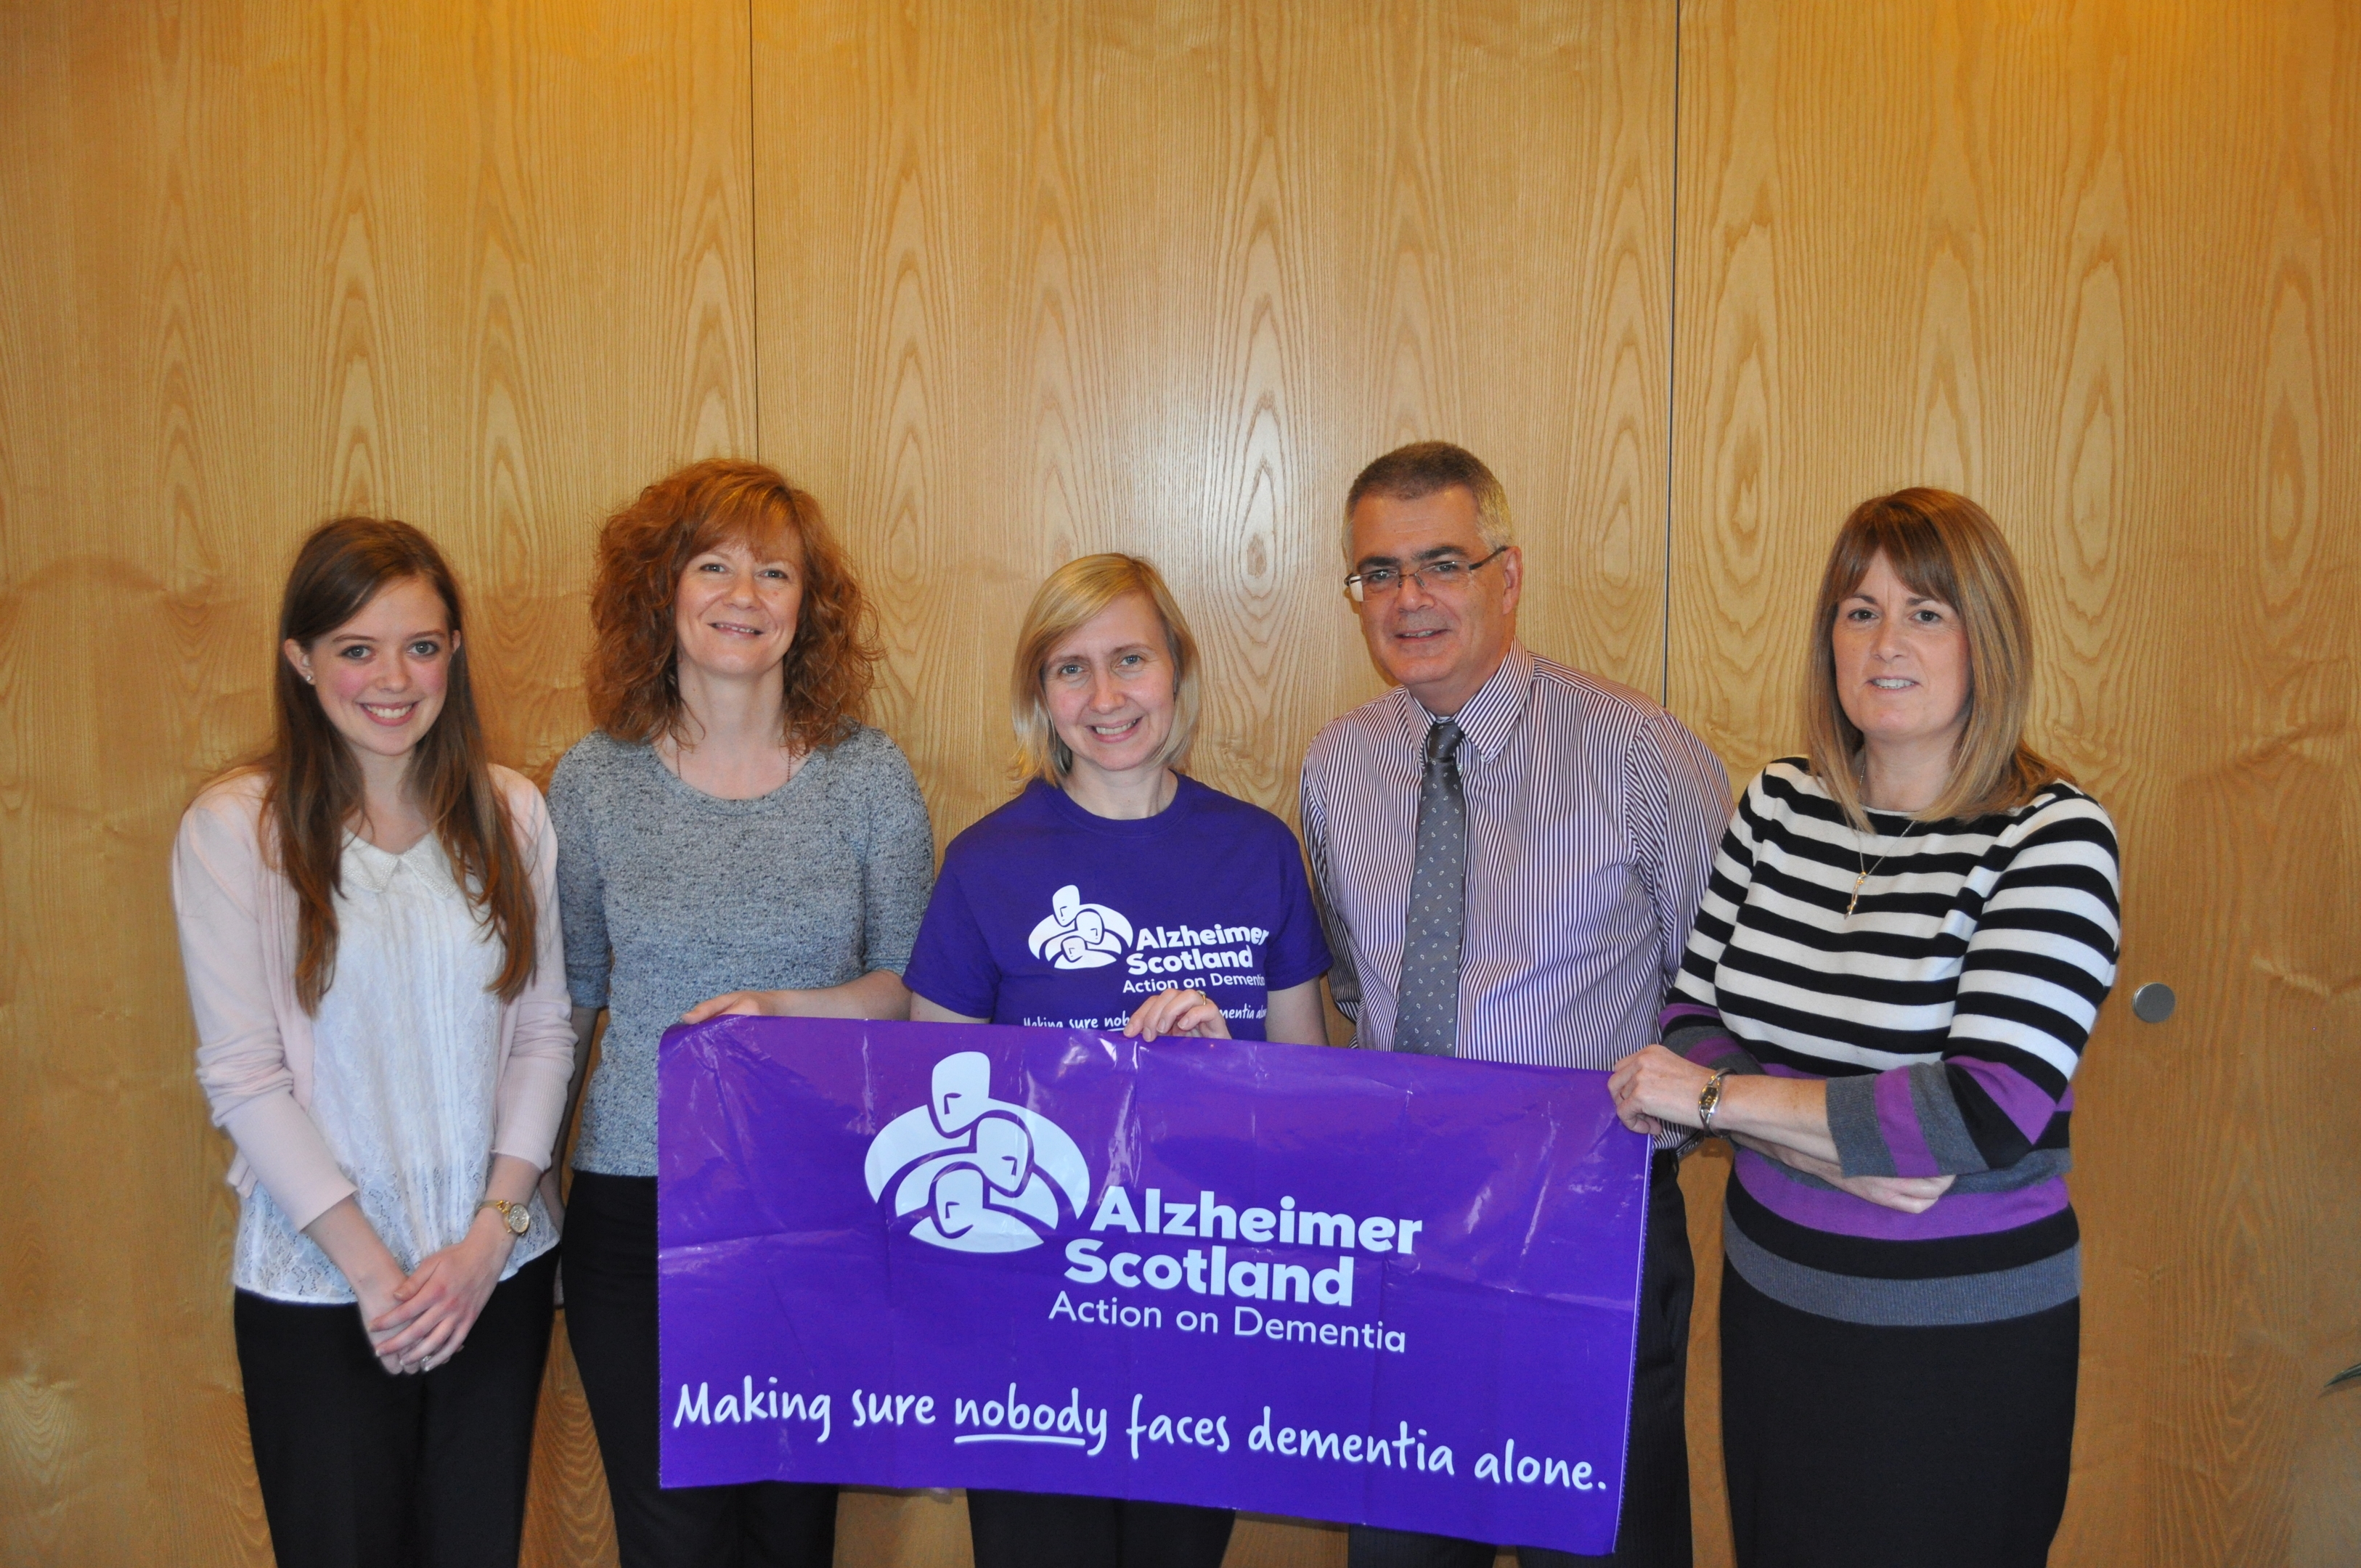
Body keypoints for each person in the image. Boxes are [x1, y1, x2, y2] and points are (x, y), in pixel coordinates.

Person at [1607, 489, 2119, 1568]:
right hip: (1778, 1310)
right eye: (1859, 610)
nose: (1887, 643)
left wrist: (1717, 1105)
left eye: (1928, 613)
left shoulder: (2053, 837)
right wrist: (1841, 1142)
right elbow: (1693, 1012)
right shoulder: (1780, 804)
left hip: (1959, 1345)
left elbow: (1976, 1118)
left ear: (1990, 637)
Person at [1300, 442, 1728, 1568]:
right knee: (1402, 1545)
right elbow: (1355, 986)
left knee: (1596, 1543)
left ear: (1509, 572)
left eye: (1442, 561)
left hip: (1590, 1228)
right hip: (1407, 1227)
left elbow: (1721, 992)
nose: (1411, 599)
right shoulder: (1337, 768)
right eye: (1379, 574)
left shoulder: (1644, 753)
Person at [903, 552, 1333, 1568]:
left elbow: (1311, 1108)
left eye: (1130, 659)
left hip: (1202, 1312)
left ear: (1177, 670)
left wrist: (1230, 1068)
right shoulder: (985, 864)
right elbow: (936, 1119)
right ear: (1040, 696)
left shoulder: (1258, 850)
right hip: (1030, 1324)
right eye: (1070, 669)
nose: (1105, 697)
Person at [549, 460, 934, 1568]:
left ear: (808, 606)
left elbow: (909, 988)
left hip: (814, 1198)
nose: (744, 593)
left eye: (776, 571)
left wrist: (781, 1009)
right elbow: (573, 1000)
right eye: (711, 564)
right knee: (674, 1535)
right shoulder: (593, 781)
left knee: (787, 1528)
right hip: (636, 1207)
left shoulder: (868, 778)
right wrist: (523, 1182)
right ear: (660, 591)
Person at [173, 518, 575, 1568]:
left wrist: (491, 1240)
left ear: (455, 653)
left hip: (494, 1274)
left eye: (423, 645)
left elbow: (543, 1033)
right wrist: (375, 1275)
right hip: (324, 1286)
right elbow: (244, 1076)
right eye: (357, 648)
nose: (394, 679)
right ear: (301, 660)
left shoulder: (511, 813)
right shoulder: (237, 829)